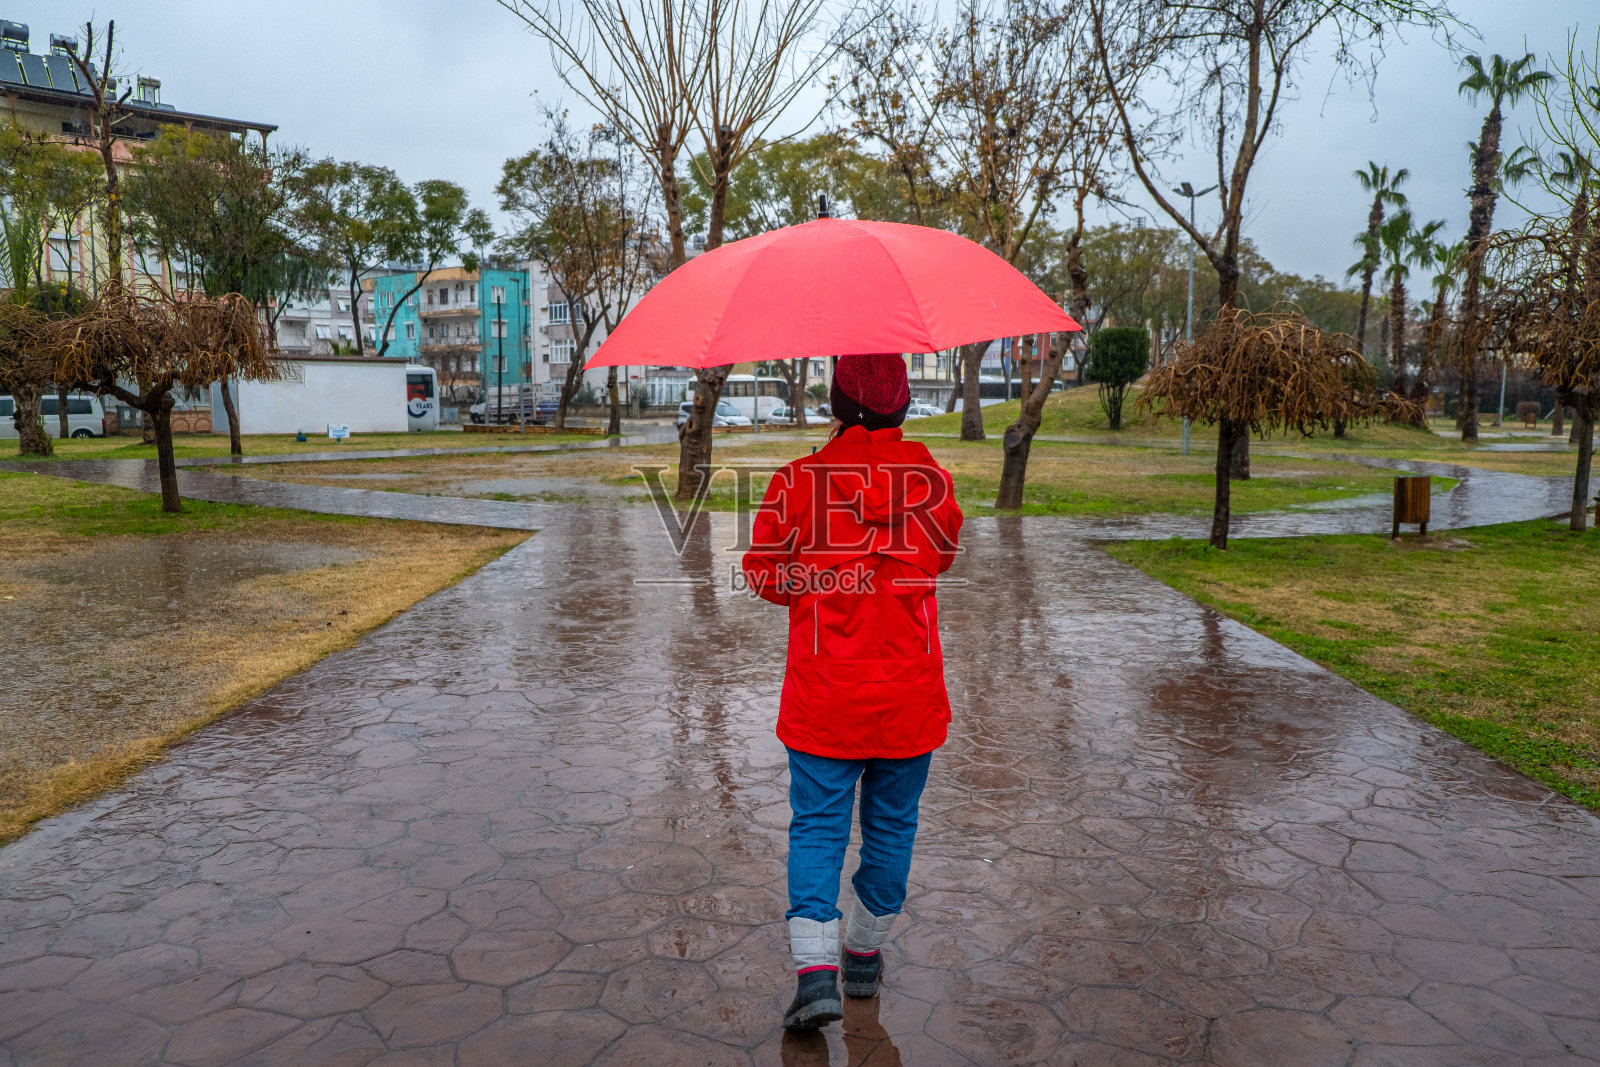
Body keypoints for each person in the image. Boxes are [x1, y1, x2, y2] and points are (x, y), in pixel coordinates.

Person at [741, 353, 964, 1030]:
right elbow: (944, 555)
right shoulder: (931, 481)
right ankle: (863, 954)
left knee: (817, 828)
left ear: (838, 403)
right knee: (893, 826)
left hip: (823, 700)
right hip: (909, 699)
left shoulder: (797, 482)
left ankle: (815, 977)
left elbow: (765, 576)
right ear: (900, 405)